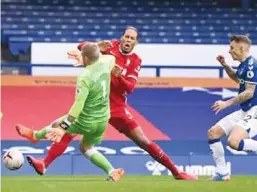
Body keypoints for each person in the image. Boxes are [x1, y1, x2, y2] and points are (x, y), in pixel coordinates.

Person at [16, 26, 197, 180]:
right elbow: (84, 49)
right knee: (67, 133)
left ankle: (176, 171)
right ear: (121, 37)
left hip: (116, 107)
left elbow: (130, 87)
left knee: (142, 139)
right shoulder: (111, 48)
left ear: (136, 42)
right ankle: (43, 162)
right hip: (95, 104)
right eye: (126, 36)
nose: (128, 40)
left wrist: (119, 76)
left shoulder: (135, 61)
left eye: (132, 38)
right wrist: (97, 44)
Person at [208, 35, 257, 181]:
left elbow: (249, 93)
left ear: (241, 48)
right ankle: (222, 173)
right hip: (245, 110)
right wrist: (225, 65)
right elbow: (237, 78)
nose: (229, 51)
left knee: (233, 142)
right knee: (213, 133)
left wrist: (227, 103)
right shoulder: (244, 65)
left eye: (232, 48)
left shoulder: (252, 65)